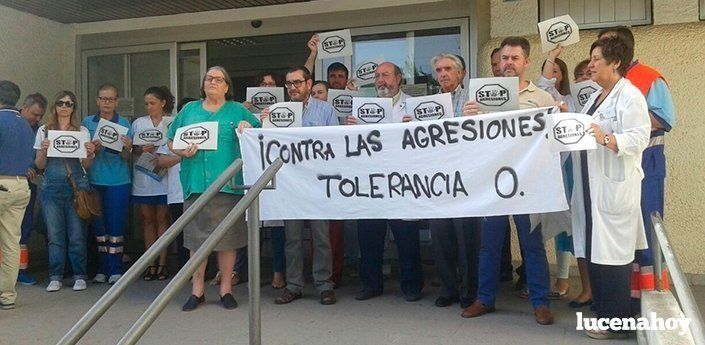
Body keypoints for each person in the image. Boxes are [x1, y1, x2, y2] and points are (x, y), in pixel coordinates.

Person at [461, 37, 556, 325]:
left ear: (526, 62)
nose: (508, 64)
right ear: (498, 62)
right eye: (504, 58)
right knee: (489, 245)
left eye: (515, 58)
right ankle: (485, 299)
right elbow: (467, 139)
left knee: (532, 244)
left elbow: (552, 141)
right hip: (493, 182)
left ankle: (540, 302)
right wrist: (467, 117)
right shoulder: (480, 95)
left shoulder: (542, 98)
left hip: (528, 182)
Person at [570, 36, 650, 339]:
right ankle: (603, 312)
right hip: (593, 189)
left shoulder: (630, 96)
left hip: (615, 189)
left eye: (595, 59)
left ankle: (615, 322)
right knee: (597, 254)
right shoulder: (598, 96)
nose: (590, 65)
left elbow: (639, 137)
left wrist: (605, 138)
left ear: (615, 62)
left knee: (614, 257)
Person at [167, 66, 260, 311]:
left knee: (227, 241)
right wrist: (180, 151)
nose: (212, 82)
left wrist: (246, 124)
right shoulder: (189, 110)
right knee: (197, 241)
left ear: (227, 86)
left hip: (228, 185)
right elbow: (170, 139)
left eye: (218, 79)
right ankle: (197, 291)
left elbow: (260, 131)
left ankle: (226, 289)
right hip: (196, 183)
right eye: (209, 78)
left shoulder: (238, 110)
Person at [598, 26, 676, 315]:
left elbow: (665, 118)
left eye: (606, 45)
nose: (599, 51)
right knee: (623, 233)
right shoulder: (605, 83)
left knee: (648, 229)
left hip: (646, 159)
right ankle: (629, 302)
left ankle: (655, 300)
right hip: (616, 161)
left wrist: (626, 119)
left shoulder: (648, 78)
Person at [346, 62, 425, 302]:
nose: (381, 80)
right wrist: (349, 129)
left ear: (399, 78)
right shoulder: (362, 107)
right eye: (378, 76)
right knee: (369, 234)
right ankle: (371, 284)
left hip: (403, 180)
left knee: (406, 235)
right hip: (370, 180)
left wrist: (417, 126)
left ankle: (412, 286)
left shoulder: (412, 105)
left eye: (386, 75)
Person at [260, 66, 339, 305]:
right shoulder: (276, 111)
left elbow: (335, 144)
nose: (292, 87)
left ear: (308, 83)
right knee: (292, 238)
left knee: (321, 236)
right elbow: (265, 145)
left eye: (297, 82)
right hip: (290, 184)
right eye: (288, 84)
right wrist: (262, 123)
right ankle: (294, 285)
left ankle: (324, 284)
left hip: (317, 183)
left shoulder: (326, 110)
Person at [427, 53, 482, 308]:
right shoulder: (426, 103)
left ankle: (469, 291)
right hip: (437, 180)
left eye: (448, 68)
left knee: (467, 238)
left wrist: (479, 117)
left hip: (466, 179)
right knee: (441, 237)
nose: (443, 74)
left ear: (461, 73)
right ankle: (449, 289)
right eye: (438, 70)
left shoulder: (474, 100)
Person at [35, 91, 96, 292]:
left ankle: (79, 275)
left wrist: (90, 153)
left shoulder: (82, 131)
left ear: (73, 108)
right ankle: (56, 275)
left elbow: (86, 166)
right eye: (60, 103)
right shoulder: (44, 130)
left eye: (68, 104)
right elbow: (39, 164)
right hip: (51, 187)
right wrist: (43, 150)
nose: (64, 107)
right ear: (55, 106)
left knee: (77, 234)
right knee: (55, 235)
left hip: (76, 187)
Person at [536, 46, 577, 300]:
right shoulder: (542, 96)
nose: (552, 75)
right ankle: (548, 277)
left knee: (571, 224)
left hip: (571, 165)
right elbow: (543, 85)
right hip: (547, 167)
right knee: (548, 223)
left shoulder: (573, 100)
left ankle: (568, 277)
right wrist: (550, 57)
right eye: (549, 70)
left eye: (556, 71)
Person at [82, 84, 133, 285]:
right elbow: (82, 154)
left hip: (119, 181)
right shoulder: (87, 122)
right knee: (99, 228)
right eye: (104, 99)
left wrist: (128, 148)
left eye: (111, 99)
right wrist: (91, 149)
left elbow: (126, 157)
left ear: (117, 101)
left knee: (116, 227)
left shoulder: (124, 123)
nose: (107, 103)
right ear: (97, 101)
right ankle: (102, 269)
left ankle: (116, 269)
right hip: (95, 180)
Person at [131, 86, 174, 281]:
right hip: (143, 176)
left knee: (162, 219)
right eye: (146, 103)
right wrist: (139, 149)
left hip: (165, 176)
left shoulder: (171, 122)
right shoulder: (139, 123)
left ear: (163, 103)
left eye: (152, 103)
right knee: (147, 220)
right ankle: (150, 263)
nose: (148, 107)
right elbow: (129, 149)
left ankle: (163, 264)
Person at [0, 80, 34, 309]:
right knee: (12, 242)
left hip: (1, 182)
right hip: (21, 185)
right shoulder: (26, 125)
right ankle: (7, 296)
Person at [155, 98, 194, 271]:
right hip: (177, 193)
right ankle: (184, 270)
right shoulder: (172, 133)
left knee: (201, 232)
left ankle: (204, 270)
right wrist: (183, 155)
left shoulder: (202, 133)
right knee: (181, 234)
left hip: (197, 191)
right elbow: (160, 161)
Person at [17, 93, 47, 286]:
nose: (37, 119)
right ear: (24, 108)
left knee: (24, 230)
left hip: (28, 185)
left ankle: (21, 271)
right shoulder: (10, 123)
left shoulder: (38, 130)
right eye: (34, 114)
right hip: (8, 182)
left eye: (40, 116)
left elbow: (39, 160)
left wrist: (35, 168)